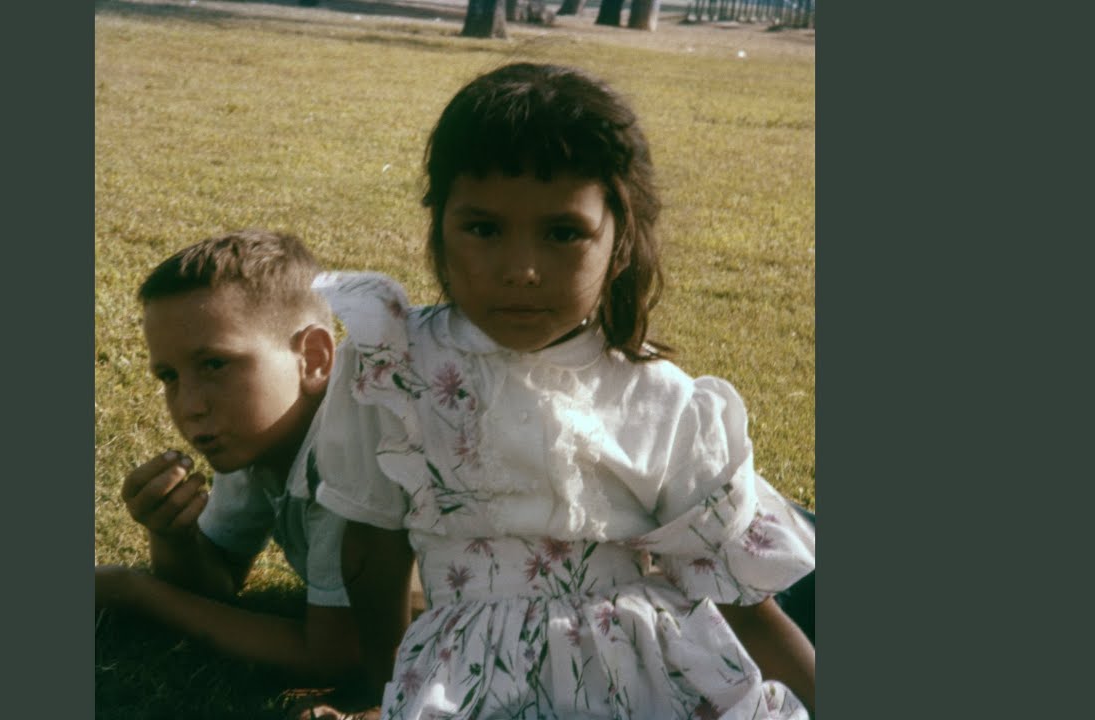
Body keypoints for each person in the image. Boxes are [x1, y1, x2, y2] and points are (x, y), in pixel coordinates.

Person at [309, 63, 816, 719]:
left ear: (620, 237)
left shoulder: (663, 400)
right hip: (467, 683)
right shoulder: (394, 369)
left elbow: (743, 601)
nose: (521, 270)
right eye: (483, 228)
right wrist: (387, 688)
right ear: (439, 225)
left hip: (646, 677)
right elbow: (373, 546)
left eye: (563, 233)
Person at [94, 229, 374, 686]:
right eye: (169, 376)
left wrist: (137, 592)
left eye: (214, 365)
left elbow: (337, 655)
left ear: (314, 358)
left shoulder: (350, 455)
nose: (189, 405)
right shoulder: (257, 436)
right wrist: (174, 536)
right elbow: (217, 583)